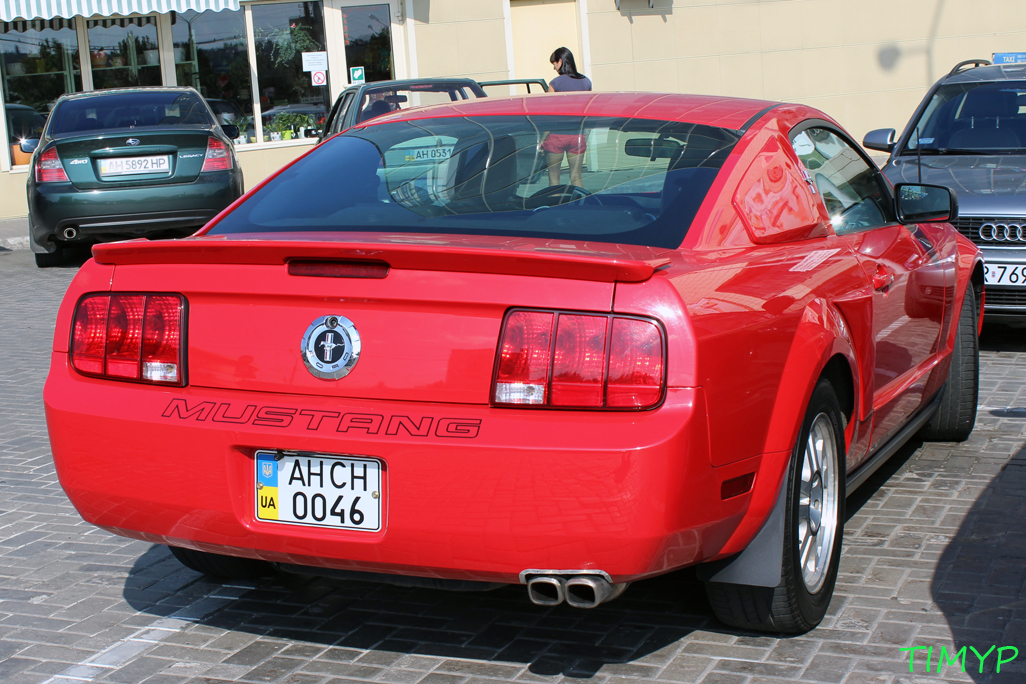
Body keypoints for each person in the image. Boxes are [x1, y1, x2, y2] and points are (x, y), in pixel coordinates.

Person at [542, 47, 592, 187]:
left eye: (554, 63)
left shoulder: (555, 83)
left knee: (554, 179)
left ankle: (556, 207)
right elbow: (588, 111)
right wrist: (585, 134)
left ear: (560, 61)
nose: (554, 67)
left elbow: (549, 114)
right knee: (576, 177)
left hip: (556, 135)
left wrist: (543, 138)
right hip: (577, 135)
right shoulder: (586, 82)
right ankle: (580, 206)